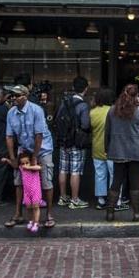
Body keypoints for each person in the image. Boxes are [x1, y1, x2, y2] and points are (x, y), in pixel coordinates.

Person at [4, 84, 55, 229]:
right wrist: (13, 158)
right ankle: (18, 214)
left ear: (25, 97)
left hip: (43, 148)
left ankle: (49, 215)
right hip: (24, 148)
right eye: (12, 95)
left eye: (16, 95)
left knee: (46, 181)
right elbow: (9, 136)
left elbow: (39, 135)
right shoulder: (11, 113)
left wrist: (35, 157)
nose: (13, 98)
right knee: (19, 181)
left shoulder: (36, 110)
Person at [105, 84, 139, 222]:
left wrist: (107, 148)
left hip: (117, 149)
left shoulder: (112, 110)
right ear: (136, 96)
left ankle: (110, 212)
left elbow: (107, 131)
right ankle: (137, 213)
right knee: (134, 181)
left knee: (116, 181)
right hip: (135, 151)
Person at [90, 87, 128, 211]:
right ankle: (116, 201)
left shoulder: (93, 112)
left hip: (97, 147)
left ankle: (101, 200)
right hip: (113, 148)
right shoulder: (115, 111)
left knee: (100, 175)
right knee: (115, 175)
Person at [57, 76, 90, 209]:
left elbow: (58, 119)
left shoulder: (64, 102)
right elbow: (86, 124)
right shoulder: (83, 105)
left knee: (63, 169)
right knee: (75, 171)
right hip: (77, 142)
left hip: (64, 141)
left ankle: (63, 197)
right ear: (86, 89)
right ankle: (75, 200)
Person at [3, 151, 43, 234]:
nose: (25, 165)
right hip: (27, 191)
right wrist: (7, 160)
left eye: (27, 162)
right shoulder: (21, 168)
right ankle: (31, 221)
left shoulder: (34, 168)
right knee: (28, 207)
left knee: (36, 207)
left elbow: (39, 167)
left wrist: (29, 167)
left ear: (31, 161)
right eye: (23, 163)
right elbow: (14, 165)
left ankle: (36, 222)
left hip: (35, 191)